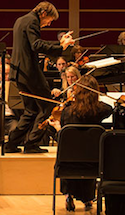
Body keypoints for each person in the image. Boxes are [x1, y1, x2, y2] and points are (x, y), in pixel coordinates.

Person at [5, 1, 74, 153]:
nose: (48, 24)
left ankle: (11, 143)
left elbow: (32, 44)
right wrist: (61, 46)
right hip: (30, 72)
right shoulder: (32, 21)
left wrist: (59, 43)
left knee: (31, 110)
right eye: (49, 20)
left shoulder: (21, 20)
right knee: (48, 105)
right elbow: (36, 45)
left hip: (20, 72)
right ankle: (31, 144)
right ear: (43, 14)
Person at [48, 75, 112, 211]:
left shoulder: (67, 112)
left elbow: (65, 138)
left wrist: (57, 128)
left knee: (72, 153)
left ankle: (68, 195)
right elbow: (109, 108)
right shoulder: (99, 111)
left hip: (68, 164)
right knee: (86, 152)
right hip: (93, 164)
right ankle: (88, 199)